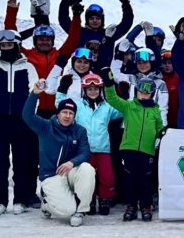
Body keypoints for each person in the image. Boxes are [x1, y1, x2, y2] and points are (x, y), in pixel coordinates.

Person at [0, 30, 39, 215]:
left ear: (17, 45)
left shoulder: (28, 66)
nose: (6, 48)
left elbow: (35, 92)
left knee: (21, 160)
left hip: (21, 120)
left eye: (9, 45)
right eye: (2, 46)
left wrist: (29, 117)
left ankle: (20, 199)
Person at [22, 84, 94, 227]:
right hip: (51, 175)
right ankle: (47, 203)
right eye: (64, 112)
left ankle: (81, 211)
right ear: (58, 113)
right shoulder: (45, 126)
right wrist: (35, 94)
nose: (67, 116)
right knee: (67, 211)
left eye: (71, 113)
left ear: (74, 116)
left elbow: (85, 152)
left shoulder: (79, 131)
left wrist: (71, 163)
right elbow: (27, 115)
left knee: (87, 169)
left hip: (70, 171)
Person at [5, 0, 83, 117]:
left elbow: (73, 40)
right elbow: (11, 39)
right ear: (35, 41)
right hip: (33, 108)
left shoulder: (60, 55)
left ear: (52, 41)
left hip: (56, 109)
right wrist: (11, 12)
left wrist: (77, 16)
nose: (44, 42)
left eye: (48, 39)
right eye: (41, 39)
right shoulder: (26, 56)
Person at [102, 70, 164, 222]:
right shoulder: (129, 106)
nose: (144, 94)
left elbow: (159, 128)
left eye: (147, 92)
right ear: (136, 92)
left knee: (145, 180)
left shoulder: (155, 110)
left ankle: (146, 206)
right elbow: (112, 99)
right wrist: (109, 84)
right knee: (129, 179)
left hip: (147, 151)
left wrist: (162, 134)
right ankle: (131, 206)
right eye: (141, 91)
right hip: (129, 149)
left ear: (152, 94)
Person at [56, 73, 121, 216]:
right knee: (87, 176)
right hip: (84, 149)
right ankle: (89, 200)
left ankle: (104, 199)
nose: (93, 91)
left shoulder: (107, 107)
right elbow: (60, 106)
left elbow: (121, 111)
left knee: (107, 176)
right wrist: (62, 89)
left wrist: (121, 94)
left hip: (103, 148)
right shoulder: (78, 106)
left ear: (100, 90)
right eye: (89, 89)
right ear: (84, 90)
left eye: (96, 88)